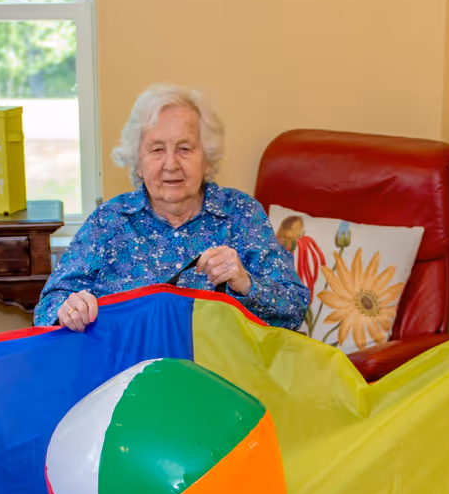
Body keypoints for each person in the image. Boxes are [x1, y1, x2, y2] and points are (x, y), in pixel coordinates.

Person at [36, 84, 307, 332]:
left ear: (208, 160)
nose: (171, 164)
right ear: (138, 163)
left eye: (185, 148)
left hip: (220, 379)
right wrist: (70, 308)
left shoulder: (241, 214)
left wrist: (244, 283)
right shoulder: (109, 220)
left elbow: (294, 309)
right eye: (156, 150)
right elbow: (50, 304)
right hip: (127, 378)